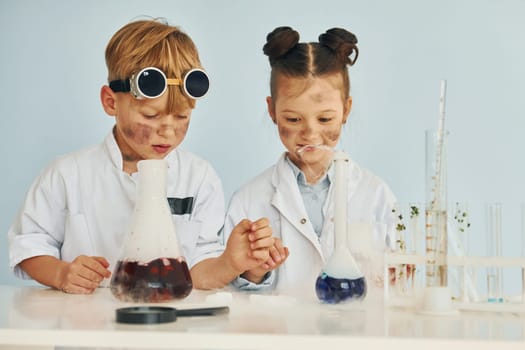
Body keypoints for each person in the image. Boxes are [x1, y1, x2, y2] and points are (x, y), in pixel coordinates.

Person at [7, 19, 274, 294]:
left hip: (168, 329)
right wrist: (62, 274)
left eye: (182, 116)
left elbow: (196, 273)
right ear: (111, 102)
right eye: (150, 115)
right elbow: (29, 244)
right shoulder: (67, 174)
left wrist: (230, 263)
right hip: (87, 324)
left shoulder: (199, 178)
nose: (167, 131)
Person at [223, 26, 397, 296]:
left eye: (325, 118)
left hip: (358, 334)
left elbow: (396, 280)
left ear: (346, 110)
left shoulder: (375, 195)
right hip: (281, 335)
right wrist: (254, 271)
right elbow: (233, 289)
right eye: (293, 119)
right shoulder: (249, 199)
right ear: (272, 110)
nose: (310, 133)